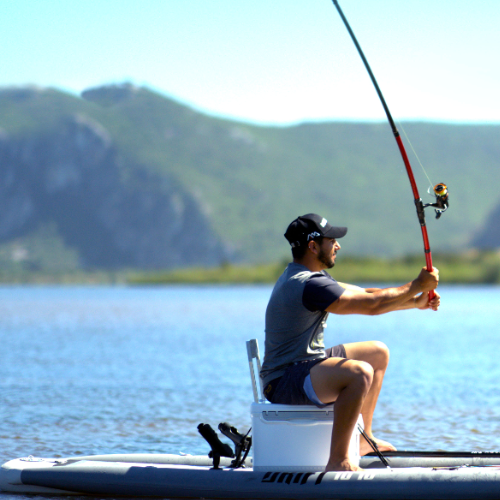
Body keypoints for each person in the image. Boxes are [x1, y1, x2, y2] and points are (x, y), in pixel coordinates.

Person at [260, 213, 440, 472]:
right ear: (312, 246)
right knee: (359, 372)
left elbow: (367, 293)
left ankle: (363, 437)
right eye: (332, 240)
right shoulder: (308, 284)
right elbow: (372, 307)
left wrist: (415, 301)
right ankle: (338, 461)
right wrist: (416, 285)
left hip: (303, 365)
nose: (338, 245)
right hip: (282, 381)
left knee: (377, 353)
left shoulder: (309, 275)